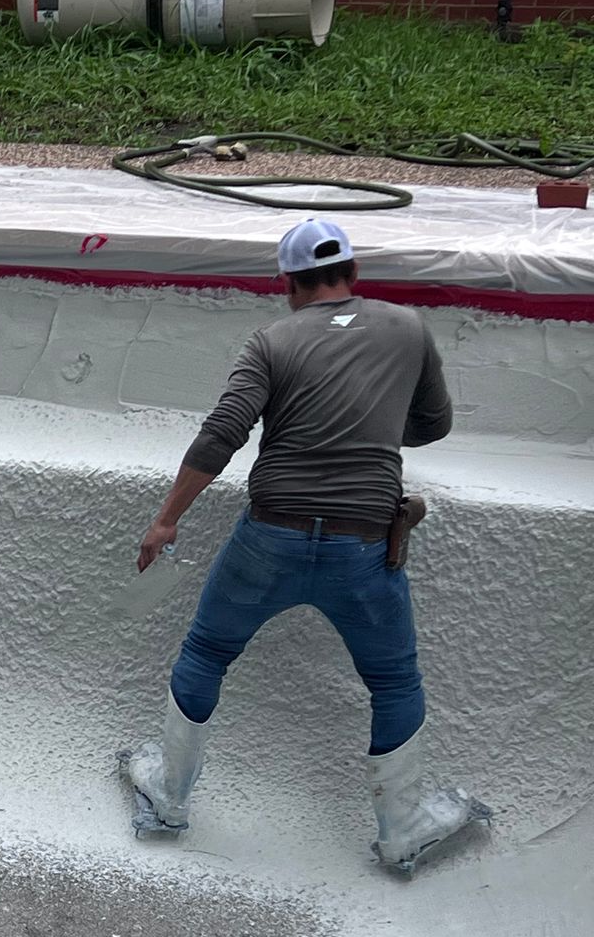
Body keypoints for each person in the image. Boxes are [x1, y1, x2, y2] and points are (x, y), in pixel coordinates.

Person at [120, 217, 489, 873]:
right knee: (394, 680)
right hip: (365, 546)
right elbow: (433, 423)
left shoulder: (272, 341)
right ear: (352, 275)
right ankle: (403, 832)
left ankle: (169, 798)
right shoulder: (406, 328)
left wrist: (167, 520)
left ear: (287, 283)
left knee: (207, 651)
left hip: (271, 536)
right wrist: (368, 426)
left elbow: (222, 433)